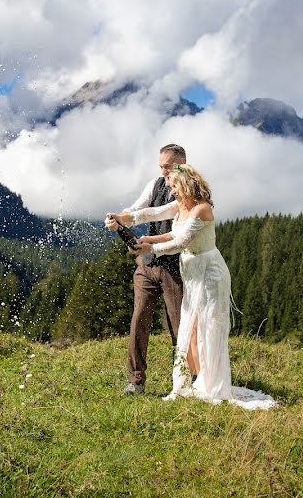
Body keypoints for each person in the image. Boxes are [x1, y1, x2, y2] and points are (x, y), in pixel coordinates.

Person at [118, 164, 277, 410]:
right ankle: (196, 380)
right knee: (190, 328)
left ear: (187, 184)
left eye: (175, 187)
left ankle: (210, 383)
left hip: (210, 274)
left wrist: (150, 247)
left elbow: (181, 241)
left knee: (208, 326)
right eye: (170, 188)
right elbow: (157, 217)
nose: (172, 192)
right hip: (192, 273)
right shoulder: (180, 205)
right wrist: (136, 228)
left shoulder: (202, 208)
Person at [105, 144, 186, 396]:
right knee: (139, 319)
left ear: (181, 164)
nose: (163, 171)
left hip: (174, 268)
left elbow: (161, 220)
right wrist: (120, 217)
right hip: (147, 266)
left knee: (179, 326)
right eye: (160, 166)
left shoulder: (188, 193)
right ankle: (136, 380)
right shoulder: (155, 184)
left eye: (168, 167)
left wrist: (133, 222)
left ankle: (185, 381)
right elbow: (138, 207)